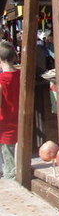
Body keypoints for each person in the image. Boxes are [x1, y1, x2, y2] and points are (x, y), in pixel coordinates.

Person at [0, 42, 20, 179]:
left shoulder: (1, 80)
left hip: (5, 127)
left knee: (10, 171)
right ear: (14, 57)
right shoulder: (22, 76)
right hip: (20, 124)